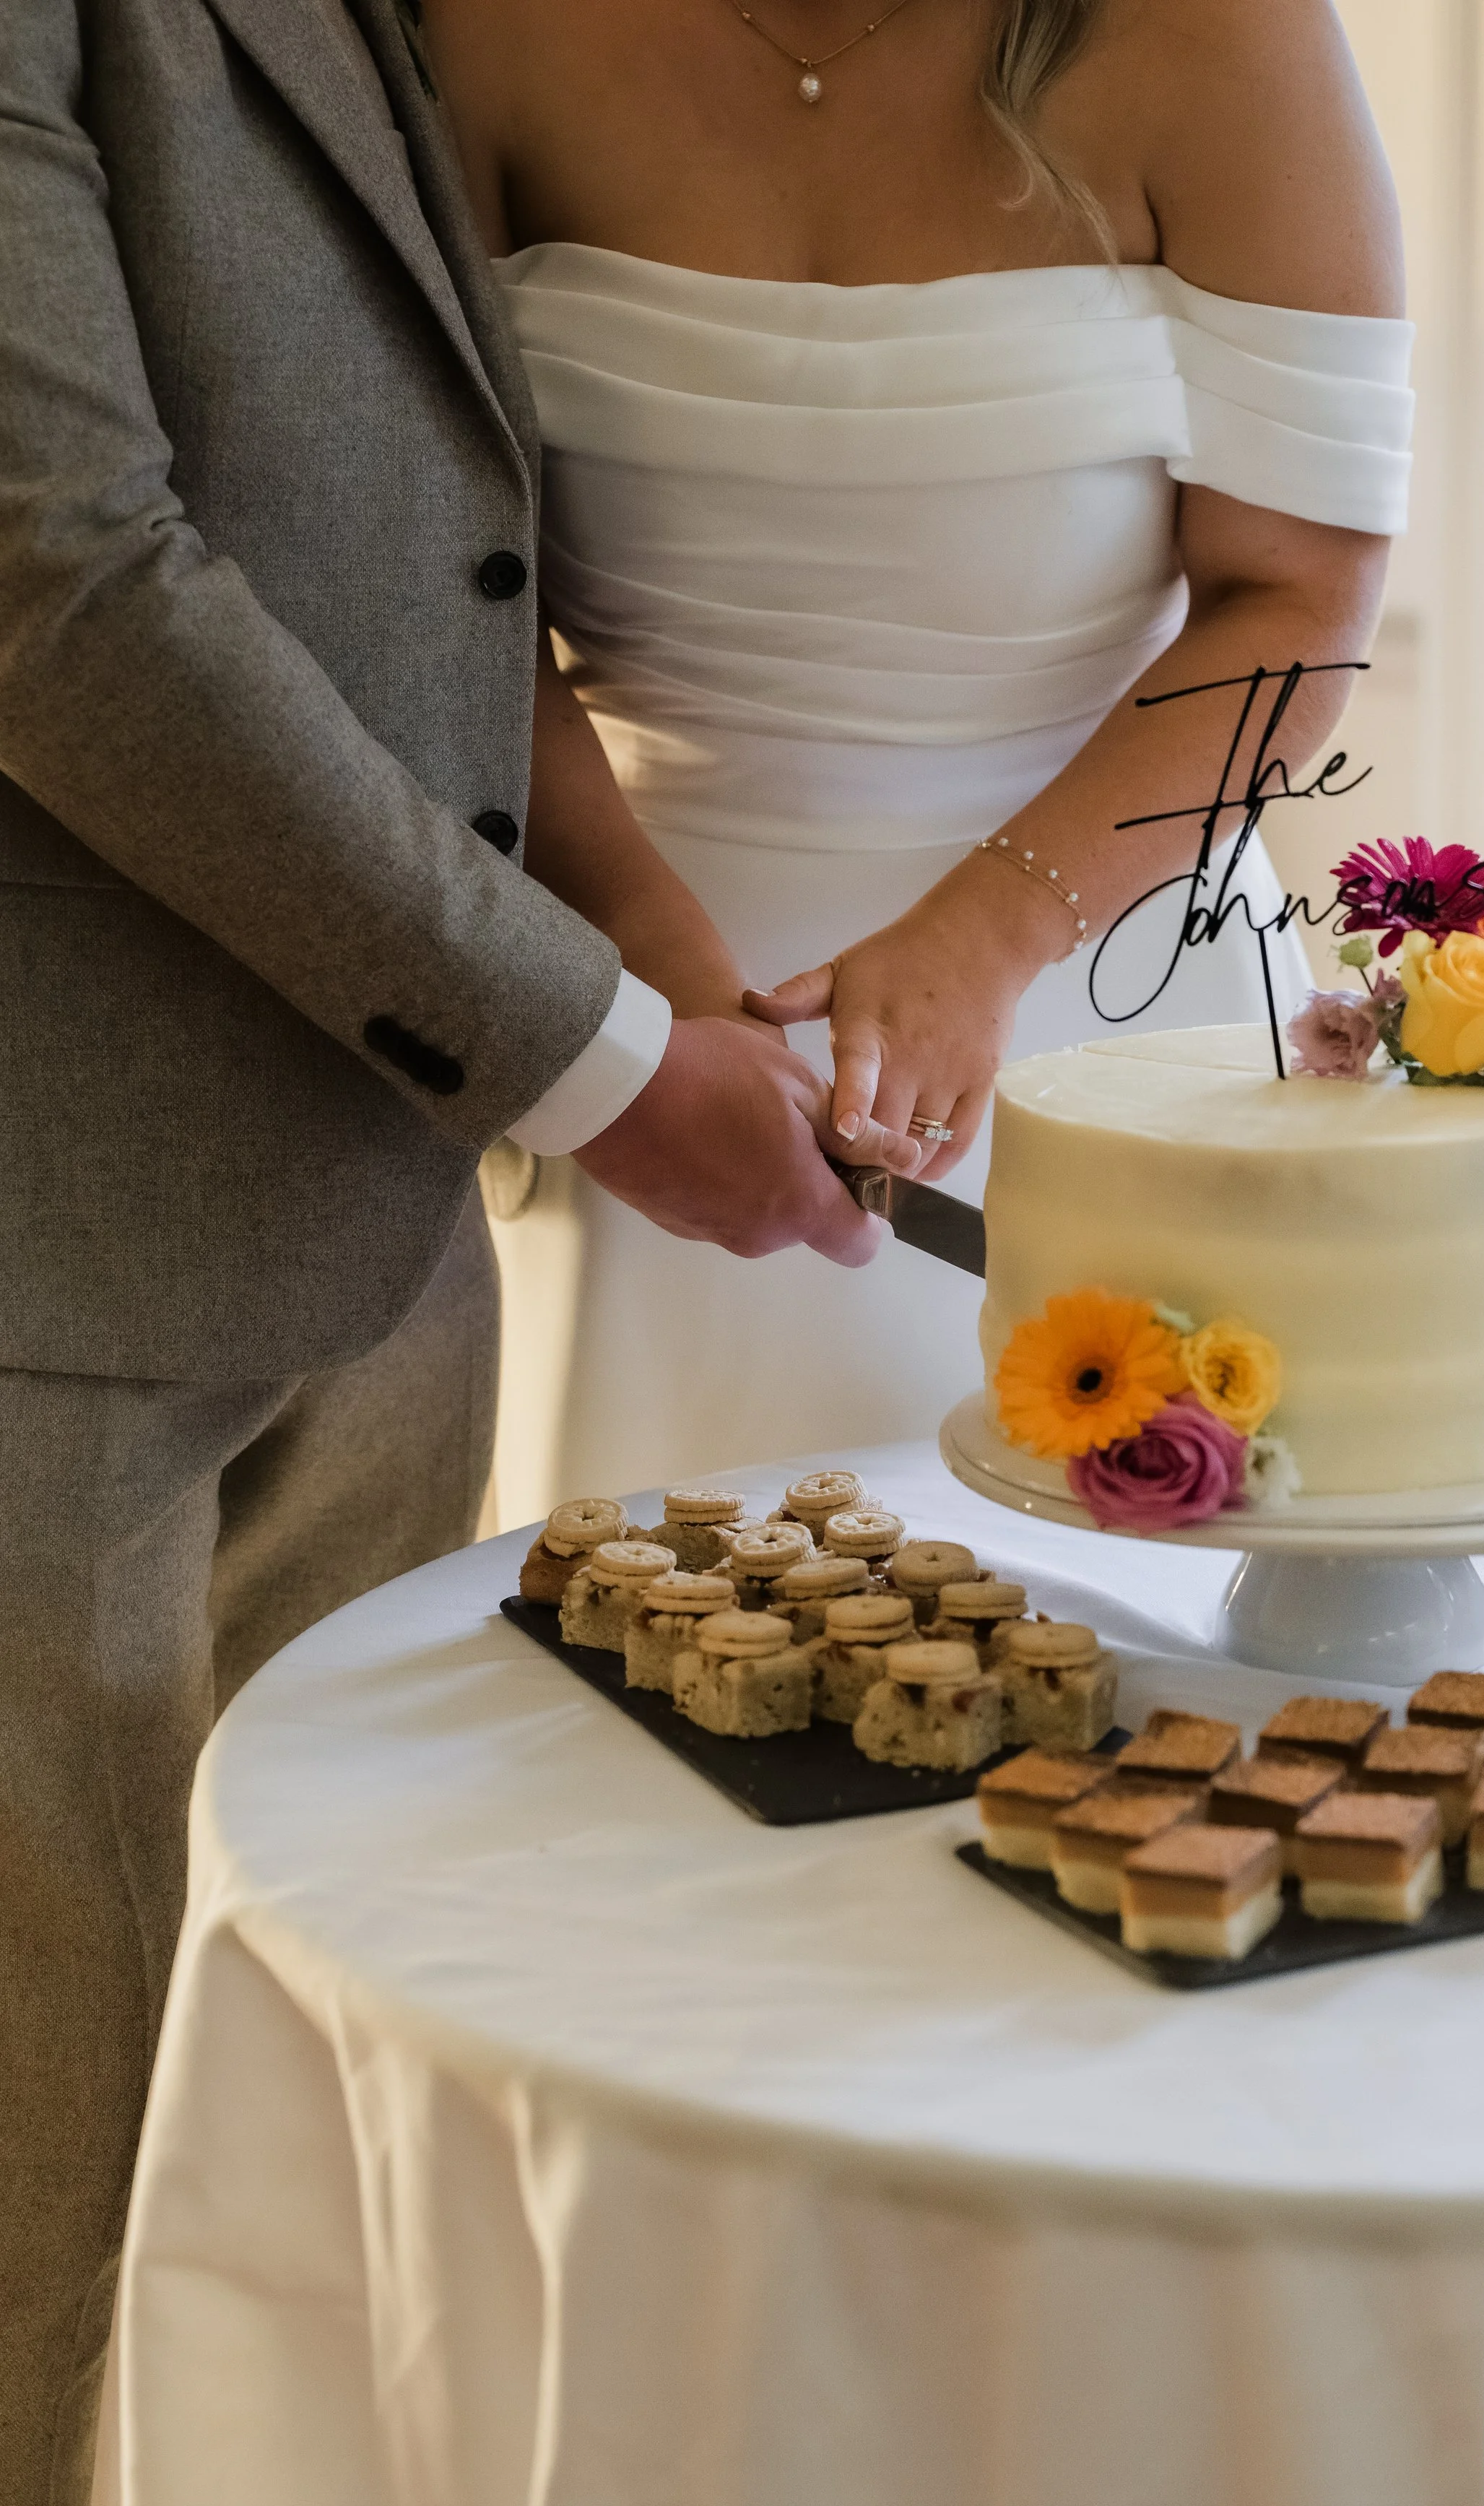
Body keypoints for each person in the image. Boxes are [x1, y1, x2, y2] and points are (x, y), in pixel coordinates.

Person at [0, 0, 916, 2506]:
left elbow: (418, 541)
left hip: (376, 1257)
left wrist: (610, 1000)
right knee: (52, 2219)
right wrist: (603, 1059)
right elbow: (60, 568)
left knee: (282, 2221)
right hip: (50, 1275)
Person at [429, 0, 1413, 1495]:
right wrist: (649, 965)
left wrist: (993, 930)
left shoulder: (1221, 33)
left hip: (1110, 956)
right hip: (658, 1021)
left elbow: (1297, 600)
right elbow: (436, 587)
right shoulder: (488, 33)